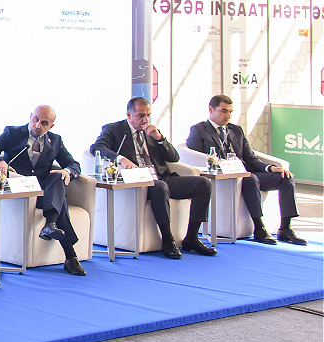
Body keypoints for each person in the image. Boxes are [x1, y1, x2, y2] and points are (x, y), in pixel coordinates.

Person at [91, 97, 216, 259]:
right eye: (141, 116)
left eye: (148, 115)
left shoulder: (151, 131)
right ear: (129, 115)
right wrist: (121, 159)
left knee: (203, 184)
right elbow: (97, 147)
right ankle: (168, 239)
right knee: (160, 187)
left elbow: (174, 157)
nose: (145, 120)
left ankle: (191, 238)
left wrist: (160, 139)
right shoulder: (114, 129)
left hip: (162, 177)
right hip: (139, 180)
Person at [0, 105, 86, 276]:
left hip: (43, 194)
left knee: (58, 178)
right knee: (60, 202)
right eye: (36, 119)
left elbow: (74, 164)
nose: (38, 125)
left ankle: (51, 225)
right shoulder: (12, 133)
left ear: (51, 126)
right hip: (19, 192)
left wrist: (67, 171)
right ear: (30, 116)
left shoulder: (56, 141)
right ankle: (68, 253)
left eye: (44, 123)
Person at [186, 95, 305, 245]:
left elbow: (250, 157)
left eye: (230, 112)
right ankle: (259, 228)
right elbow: (194, 158)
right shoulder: (199, 130)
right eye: (224, 111)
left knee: (285, 177)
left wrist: (269, 168)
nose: (228, 116)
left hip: (245, 172)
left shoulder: (236, 130)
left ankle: (286, 228)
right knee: (250, 178)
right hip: (224, 177)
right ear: (211, 109)